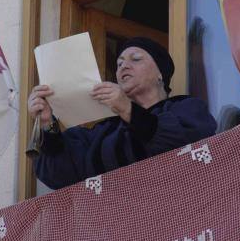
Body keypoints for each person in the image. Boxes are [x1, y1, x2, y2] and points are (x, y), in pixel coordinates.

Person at [28, 36, 217, 190]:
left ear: (160, 73)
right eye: (119, 64)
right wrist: (47, 124)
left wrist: (128, 109)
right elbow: (58, 175)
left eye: (136, 59)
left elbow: (186, 143)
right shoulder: (103, 131)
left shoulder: (186, 108)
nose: (124, 66)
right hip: (116, 223)